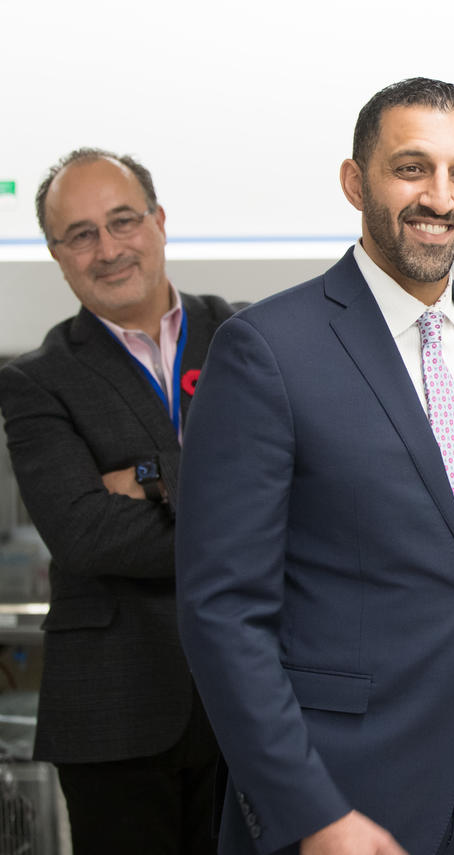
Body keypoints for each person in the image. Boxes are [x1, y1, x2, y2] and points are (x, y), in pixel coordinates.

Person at [175, 78, 454, 855]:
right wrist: (311, 813)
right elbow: (224, 613)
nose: (440, 197)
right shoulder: (267, 349)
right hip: (343, 799)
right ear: (354, 181)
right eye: (411, 168)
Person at [0, 148, 231, 853]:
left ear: (158, 221)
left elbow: (305, 487)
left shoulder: (246, 338)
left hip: (253, 696)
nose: (107, 249)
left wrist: (151, 474)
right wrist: (241, 518)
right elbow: (85, 533)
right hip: (114, 708)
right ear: (56, 254)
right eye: (81, 234)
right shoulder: (36, 380)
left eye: (123, 221)